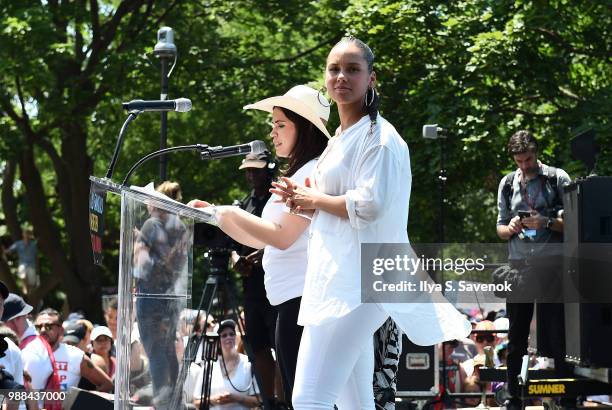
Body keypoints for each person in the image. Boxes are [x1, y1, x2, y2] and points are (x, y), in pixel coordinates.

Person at [269, 36, 470, 408]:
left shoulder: (380, 138)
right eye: (334, 69)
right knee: (355, 401)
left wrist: (312, 199)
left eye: (352, 69)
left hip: (358, 283)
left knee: (309, 397)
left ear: (371, 79)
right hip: (340, 280)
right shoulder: (343, 137)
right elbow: (340, 202)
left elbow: (369, 205)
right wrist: (304, 199)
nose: (341, 76)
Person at [188, 84, 330, 405]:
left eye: (281, 124)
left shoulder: (311, 172)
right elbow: (262, 236)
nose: (272, 132)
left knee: (303, 400)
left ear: (305, 129)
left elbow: (281, 236)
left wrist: (225, 212)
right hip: (288, 302)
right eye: (272, 124)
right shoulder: (299, 171)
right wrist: (215, 216)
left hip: (300, 303)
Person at [496, 130, 572, 409]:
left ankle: (566, 394)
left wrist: (546, 222)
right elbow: (500, 229)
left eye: (528, 159)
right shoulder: (507, 183)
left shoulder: (557, 178)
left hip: (553, 265)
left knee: (557, 333)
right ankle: (513, 394)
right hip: (519, 266)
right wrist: (512, 227)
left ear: (536, 153)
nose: (524, 166)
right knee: (516, 333)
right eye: (519, 161)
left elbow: (575, 224)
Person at [133, 181, 190, 407]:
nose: (147, 203)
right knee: (167, 351)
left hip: (150, 297)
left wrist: (136, 244)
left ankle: (162, 402)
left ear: (157, 201)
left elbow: (141, 265)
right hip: (171, 297)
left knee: (155, 351)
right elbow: (175, 261)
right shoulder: (181, 227)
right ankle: (174, 402)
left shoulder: (150, 224)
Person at [231, 152, 278, 403]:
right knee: (258, 347)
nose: (251, 174)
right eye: (247, 170)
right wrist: (236, 260)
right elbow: (232, 243)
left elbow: (286, 236)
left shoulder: (278, 201)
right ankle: (269, 401)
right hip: (251, 290)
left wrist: (261, 255)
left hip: (276, 288)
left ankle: (285, 401)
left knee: (280, 348)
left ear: (268, 169)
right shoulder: (243, 204)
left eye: (256, 170)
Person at [193, 319, 259, 409]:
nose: (229, 337)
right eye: (224, 335)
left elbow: (258, 401)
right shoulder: (209, 366)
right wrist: (214, 400)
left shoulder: (249, 363)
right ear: (217, 341)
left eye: (232, 334)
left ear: (236, 337)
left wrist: (236, 398)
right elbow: (196, 402)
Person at [6, 227, 39, 292]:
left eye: (28, 234)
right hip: (22, 265)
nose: (26, 235)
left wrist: (37, 268)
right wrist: (4, 251)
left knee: (32, 284)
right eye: (25, 233)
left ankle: (30, 295)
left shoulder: (33, 245)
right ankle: (25, 293)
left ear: (30, 235)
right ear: (23, 235)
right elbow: (9, 250)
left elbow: (36, 257)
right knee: (23, 277)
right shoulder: (18, 243)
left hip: (32, 266)